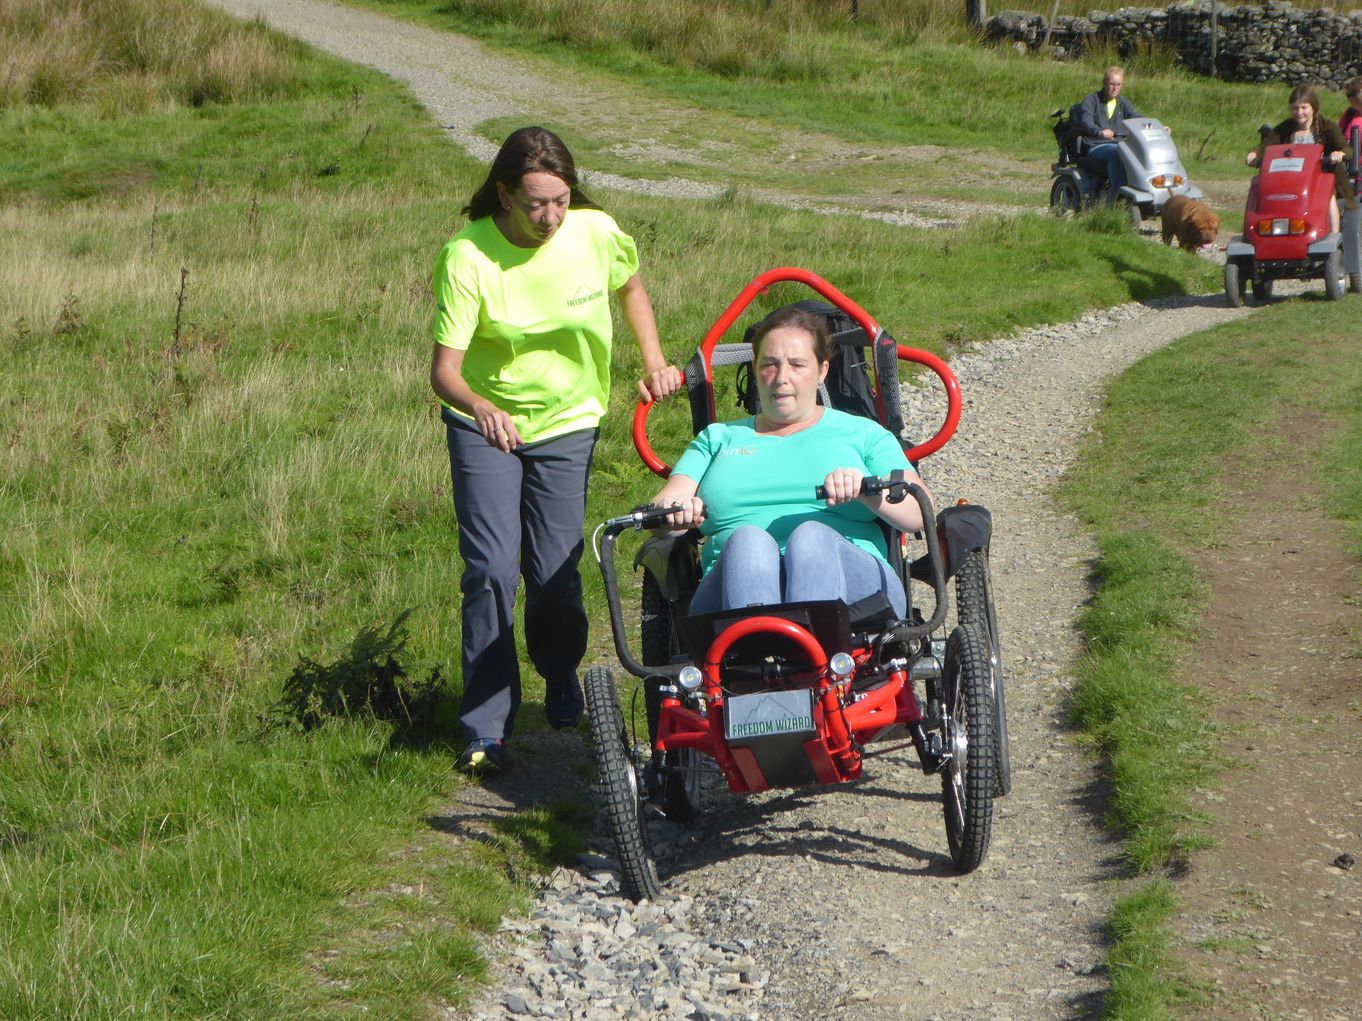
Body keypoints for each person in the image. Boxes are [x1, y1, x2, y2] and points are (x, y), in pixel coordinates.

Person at [431, 126, 682, 773]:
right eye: (536, 203)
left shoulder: (594, 232)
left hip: (569, 420)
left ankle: (561, 671)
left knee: (553, 573)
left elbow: (629, 286)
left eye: (561, 201)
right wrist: (482, 408)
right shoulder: (468, 254)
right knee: (489, 569)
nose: (550, 217)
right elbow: (445, 370)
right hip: (485, 421)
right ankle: (485, 728)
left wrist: (653, 360)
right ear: (504, 194)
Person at [647, 307, 930, 619]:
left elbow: (920, 513)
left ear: (822, 370)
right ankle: (765, 645)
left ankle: (806, 647)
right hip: (730, 590)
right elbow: (666, 503)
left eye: (797, 365)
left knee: (812, 537)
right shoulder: (718, 438)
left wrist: (867, 491)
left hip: (856, 594)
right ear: (754, 368)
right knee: (749, 541)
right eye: (769, 365)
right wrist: (672, 511)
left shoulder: (862, 433)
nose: (781, 378)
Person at [1246, 84, 1354, 236]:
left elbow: (1347, 150)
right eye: (1295, 108)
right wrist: (1254, 154)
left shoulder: (1328, 127)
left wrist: (1338, 154)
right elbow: (1265, 146)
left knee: (1328, 194)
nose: (1299, 112)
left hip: (1321, 176)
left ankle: (1334, 238)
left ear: (1313, 108)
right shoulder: (1286, 128)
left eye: (1304, 108)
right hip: (1291, 179)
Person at [1076, 66, 1145, 196]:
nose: (1115, 88)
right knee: (1116, 152)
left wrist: (1156, 126)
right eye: (1112, 84)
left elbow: (1137, 117)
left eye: (1118, 84)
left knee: (1137, 152)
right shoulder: (1092, 99)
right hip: (1096, 146)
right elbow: (1086, 120)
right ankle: (1117, 194)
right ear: (1104, 83)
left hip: (1117, 144)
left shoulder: (1122, 103)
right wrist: (1099, 132)